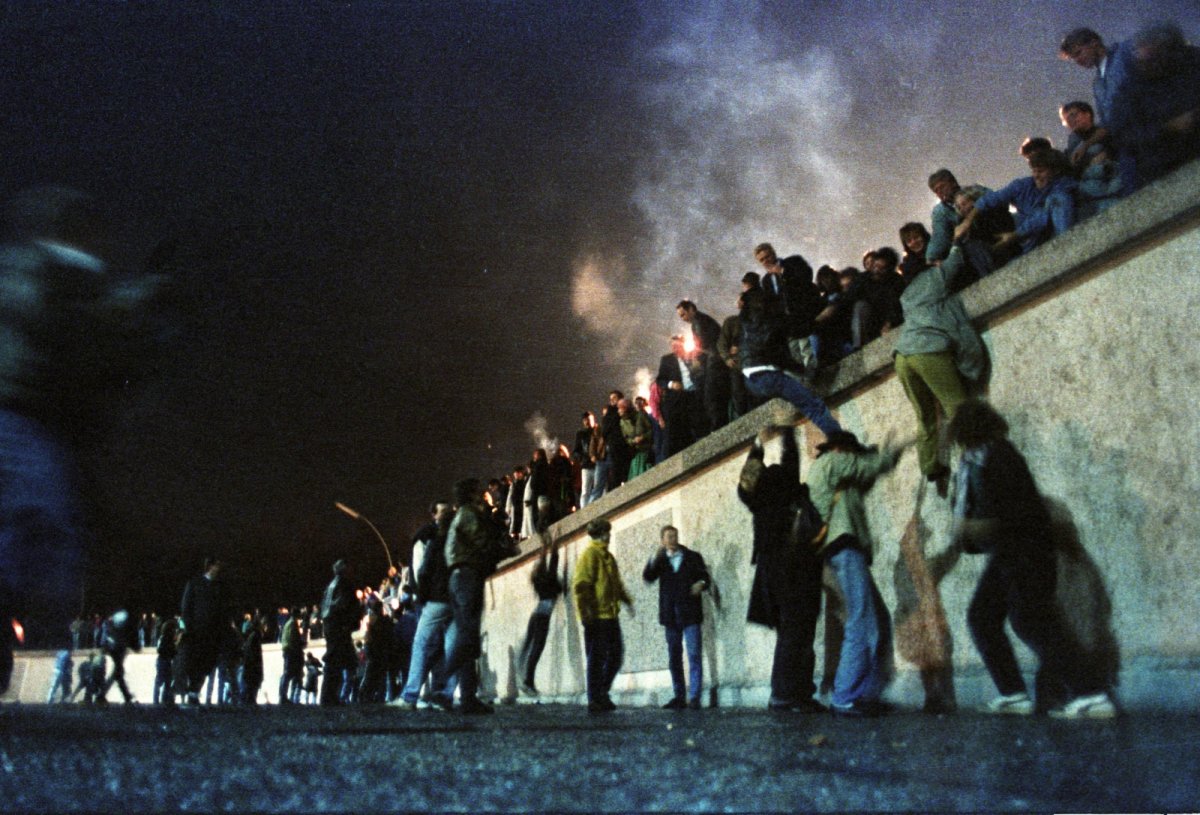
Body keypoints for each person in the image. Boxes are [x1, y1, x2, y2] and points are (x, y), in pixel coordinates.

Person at [0, 186, 167, 690]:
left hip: (33, 418)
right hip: (25, 416)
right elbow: (83, 334)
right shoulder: (48, 274)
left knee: (42, 534)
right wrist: (136, 301)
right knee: (43, 531)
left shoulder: (32, 272)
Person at [949, 400, 1117, 719]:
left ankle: (1090, 694)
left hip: (1025, 551)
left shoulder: (999, 456)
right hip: (1007, 553)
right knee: (983, 617)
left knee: (1031, 620)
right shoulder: (977, 460)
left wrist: (969, 527)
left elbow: (1012, 515)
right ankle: (1013, 694)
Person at [807, 431, 909, 717]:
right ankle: (845, 696)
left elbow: (865, 477)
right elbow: (868, 467)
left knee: (878, 620)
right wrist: (892, 451)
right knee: (861, 621)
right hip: (844, 548)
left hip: (845, 550)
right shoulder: (832, 461)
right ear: (843, 449)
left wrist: (878, 458)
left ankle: (866, 693)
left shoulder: (838, 475)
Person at [736, 417, 826, 713]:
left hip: (770, 569)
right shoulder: (788, 487)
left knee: (789, 632)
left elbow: (746, 481)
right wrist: (786, 432)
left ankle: (789, 693)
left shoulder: (756, 499)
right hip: (795, 565)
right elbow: (791, 459)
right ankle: (790, 693)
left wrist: (757, 447)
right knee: (799, 631)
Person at [893, 240, 987, 494]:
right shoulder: (934, 277)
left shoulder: (905, 296)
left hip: (902, 356)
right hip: (928, 349)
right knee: (957, 406)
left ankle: (930, 466)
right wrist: (955, 243)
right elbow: (956, 260)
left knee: (924, 415)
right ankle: (975, 456)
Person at [442, 478, 512, 715]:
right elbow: (483, 543)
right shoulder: (469, 514)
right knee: (468, 637)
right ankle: (442, 683)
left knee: (468, 637)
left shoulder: (461, 515)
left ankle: (468, 698)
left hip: (460, 577)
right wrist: (505, 549)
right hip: (467, 576)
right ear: (472, 494)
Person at [738, 288, 842, 439]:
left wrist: (801, 371)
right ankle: (842, 443)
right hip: (768, 375)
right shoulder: (773, 319)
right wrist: (822, 318)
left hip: (750, 380)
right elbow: (800, 331)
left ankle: (777, 430)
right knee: (813, 406)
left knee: (790, 409)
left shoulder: (745, 320)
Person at [394, 501, 457, 709]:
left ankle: (412, 695)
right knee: (450, 646)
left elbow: (423, 570)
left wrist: (422, 596)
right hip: (453, 598)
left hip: (435, 599)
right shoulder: (455, 535)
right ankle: (444, 694)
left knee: (423, 643)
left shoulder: (430, 538)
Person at [642, 525, 710, 710]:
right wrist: (653, 558)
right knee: (674, 656)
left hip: (690, 613)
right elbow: (648, 577)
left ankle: (694, 697)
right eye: (669, 537)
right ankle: (679, 696)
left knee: (694, 654)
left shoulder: (693, 556)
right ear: (662, 540)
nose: (672, 539)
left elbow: (705, 577)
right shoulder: (661, 560)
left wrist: (701, 584)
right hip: (670, 615)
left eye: (675, 536)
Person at [572, 517, 633, 713]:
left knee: (615, 656)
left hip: (610, 615)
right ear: (600, 534)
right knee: (596, 659)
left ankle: (601, 692)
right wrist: (586, 614)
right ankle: (595, 697)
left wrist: (626, 600)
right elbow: (581, 586)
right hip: (596, 616)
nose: (609, 535)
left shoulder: (608, 557)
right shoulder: (590, 555)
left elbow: (616, 584)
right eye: (606, 532)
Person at [753, 243, 823, 379]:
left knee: (806, 347)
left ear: (773, 253)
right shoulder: (766, 281)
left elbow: (807, 277)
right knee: (794, 351)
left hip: (804, 313)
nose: (765, 261)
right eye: (761, 260)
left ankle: (813, 373)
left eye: (767, 257)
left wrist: (783, 272)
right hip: (787, 322)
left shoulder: (793, 262)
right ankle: (805, 376)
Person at [516, 536, 562, 696]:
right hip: (543, 616)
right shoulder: (549, 579)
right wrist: (553, 546)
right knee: (537, 648)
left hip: (537, 614)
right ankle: (528, 681)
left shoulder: (538, 580)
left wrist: (545, 547)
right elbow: (554, 563)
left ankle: (526, 679)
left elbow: (548, 563)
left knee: (531, 646)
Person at [180, 556, 227, 705]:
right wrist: (189, 627)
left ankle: (194, 691)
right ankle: (192, 692)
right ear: (210, 566)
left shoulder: (218, 587)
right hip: (197, 632)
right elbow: (186, 607)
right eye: (216, 565)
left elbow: (221, 610)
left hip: (212, 634)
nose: (218, 569)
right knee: (196, 663)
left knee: (206, 664)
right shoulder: (195, 584)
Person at [677, 299, 728, 432]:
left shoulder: (698, 322)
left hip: (714, 362)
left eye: (683, 314)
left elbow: (702, 344)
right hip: (715, 360)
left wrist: (695, 358)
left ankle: (720, 429)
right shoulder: (700, 320)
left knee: (712, 397)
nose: (682, 318)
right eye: (680, 316)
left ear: (691, 309)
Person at [656, 337, 709, 457]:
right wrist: (671, 384)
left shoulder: (691, 356)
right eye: (673, 346)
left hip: (694, 395)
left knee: (699, 423)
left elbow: (700, 371)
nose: (676, 348)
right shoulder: (667, 360)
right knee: (680, 430)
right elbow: (660, 380)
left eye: (678, 346)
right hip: (678, 400)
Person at [319, 558, 361, 706]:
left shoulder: (331, 585)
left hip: (331, 626)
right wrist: (350, 623)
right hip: (339, 626)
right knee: (336, 662)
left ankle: (329, 696)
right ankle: (328, 697)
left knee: (336, 661)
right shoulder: (344, 585)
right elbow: (345, 605)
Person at [97, 609, 139, 705]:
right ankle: (125, 695)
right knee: (118, 672)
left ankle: (104, 695)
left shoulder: (118, 617)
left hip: (115, 646)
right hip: (118, 647)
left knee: (117, 672)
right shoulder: (126, 618)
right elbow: (128, 635)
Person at [618, 398, 652, 480]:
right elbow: (626, 438)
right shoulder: (622, 422)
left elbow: (651, 430)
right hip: (636, 452)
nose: (618, 411)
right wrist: (633, 441)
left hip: (646, 450)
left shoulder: (641, 415)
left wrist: (643, 437)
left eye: (620, 408)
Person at [154, 616, 179, 706]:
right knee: (164, 681)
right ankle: (163, 699)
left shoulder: (164, 638)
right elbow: (168, 651)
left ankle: (161, 699)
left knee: (163, 681)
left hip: (163, 661)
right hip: (164, 661)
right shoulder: (167, 639)